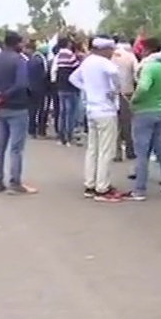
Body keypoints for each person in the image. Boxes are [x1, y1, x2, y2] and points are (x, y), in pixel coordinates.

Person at [122, 37, 161, 201]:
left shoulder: (148, 67)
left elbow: (144, 87)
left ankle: (140, 189)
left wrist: (134, 100)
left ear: (147, 50)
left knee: (142, 153)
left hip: (144, 111)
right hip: (160, 110)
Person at [69, 37, 123, 202]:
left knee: (93, 149)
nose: (112, 53)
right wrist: (115, 88)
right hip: (106, 110)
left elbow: (73, 78)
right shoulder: (104, 62)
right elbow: (114, 72)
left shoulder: (87, 61)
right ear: (105, 49)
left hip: (91, 110)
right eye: (111, 50)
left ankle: (90, 184)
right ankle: (102, 188)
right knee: (106, 151)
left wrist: (88, 89)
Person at [0, 30, 36, 194]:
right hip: (17, 107)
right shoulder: (19, 61)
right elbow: (21, 84)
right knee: (16, 148)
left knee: (0, 146)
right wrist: (3, 95)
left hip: (2, 108)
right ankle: (15, 183)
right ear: (16, 43)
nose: (23, 46)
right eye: (21, 42)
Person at [50, 38, 82, 146]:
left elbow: (54, 71)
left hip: (60, 87)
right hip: (71, 87)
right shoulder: (70, 55)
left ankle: (61, 136)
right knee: (70, 113)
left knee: (62, 112)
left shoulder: (57, 56)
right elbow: (78, 68)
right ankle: (69, 136)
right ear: (68, 44)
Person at [111, 39, 138, 160]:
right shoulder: (131, 56)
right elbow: (137, 74)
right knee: (128, 124)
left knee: (114, 124)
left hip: (112, 93)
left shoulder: (110, 56)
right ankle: (130, 150)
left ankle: (116, 153)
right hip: (127, 93)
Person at [24, 40, 50, 138]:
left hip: (32, 87)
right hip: (40, 88)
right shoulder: (40, 59)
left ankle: (32, 130)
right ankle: (40, 130)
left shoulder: (31, 60)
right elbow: (44, 74)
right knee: (41, 109)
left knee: (32, 110)